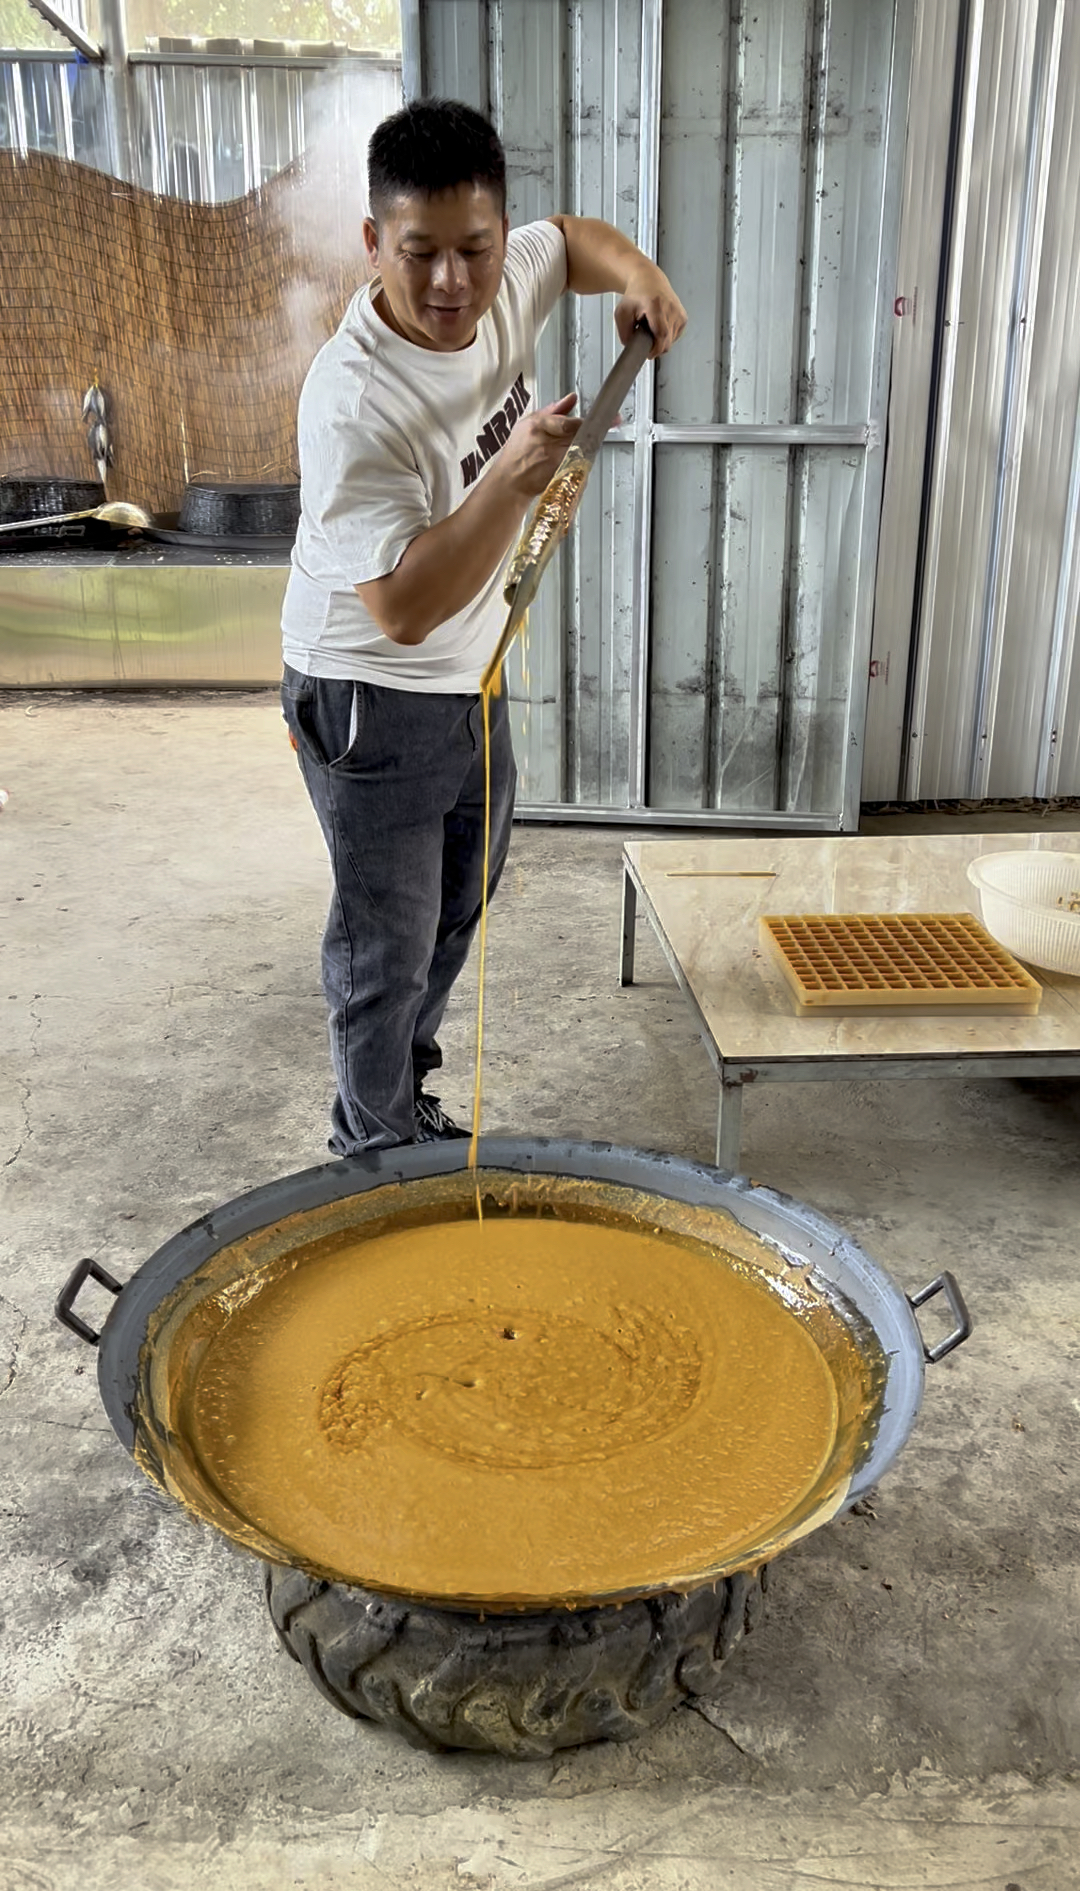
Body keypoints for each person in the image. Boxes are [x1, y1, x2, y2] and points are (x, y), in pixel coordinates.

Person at [281, 97, 686, 1157]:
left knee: (459, 907)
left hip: (474, 676)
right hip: (370, 691)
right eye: (419, 254)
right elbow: (406, 609)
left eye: (475, 249)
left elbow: (583, 241)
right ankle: (374, 1157)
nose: (453, 284)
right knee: (386, 947)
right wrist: (512, 480)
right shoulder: (351, 402)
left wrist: (639, 276)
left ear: (501, 236)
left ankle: (399, 1101)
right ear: (374, 243)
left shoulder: (510, 270)